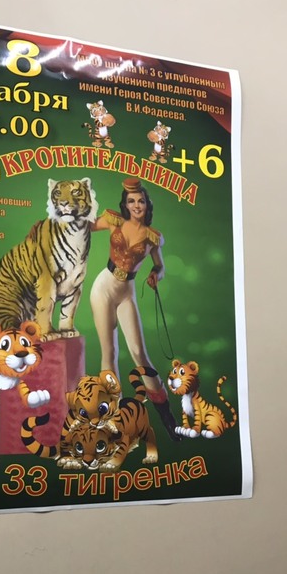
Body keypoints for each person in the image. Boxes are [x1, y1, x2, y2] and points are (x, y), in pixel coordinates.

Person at [90, 177, 180, 441]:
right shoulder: (114, 220)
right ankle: (112, 421)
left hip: (127, 292)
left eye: (141, 201)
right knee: (110, 353)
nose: (136, 205)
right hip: (104, 288)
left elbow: (160, 266)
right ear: (126, 204)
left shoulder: (153, 237)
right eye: (132, 201)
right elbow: (85, 227)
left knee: (140, 354)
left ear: (147, 205)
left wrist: (155, 274)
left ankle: (168, 418)